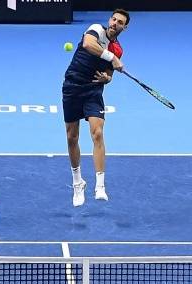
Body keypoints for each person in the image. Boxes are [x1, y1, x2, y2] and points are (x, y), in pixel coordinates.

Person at [62, 9, 130, 207]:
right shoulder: (96, 30)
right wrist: (112, 58)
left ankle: (100, 185)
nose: (115, 23)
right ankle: (77, 183)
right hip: (72, 86)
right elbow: (88, 45)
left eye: (120, 22)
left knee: (97, 133)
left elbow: (108, 74)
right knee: (71, 137)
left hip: (93, 90)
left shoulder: (117, 49)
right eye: (114, 19)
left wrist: (107, 78)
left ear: (124, 28)